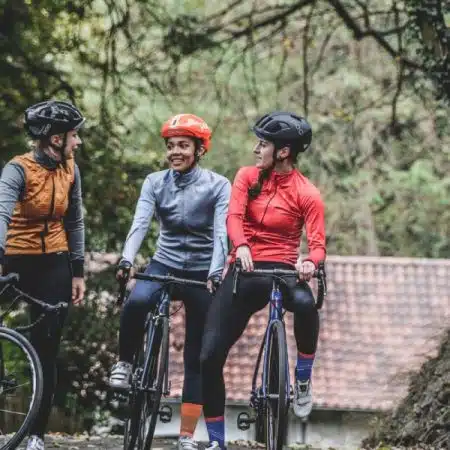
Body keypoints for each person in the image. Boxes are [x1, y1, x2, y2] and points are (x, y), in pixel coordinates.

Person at [200, 112, 326, 450]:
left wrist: (310, 263)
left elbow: (318, 245)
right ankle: (216, 442)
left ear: (283, 152)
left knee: (306, 304)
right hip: (245, 270)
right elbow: (233, 217)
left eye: (263, 144)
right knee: (209, 357)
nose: (256, 149)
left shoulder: (307, 193)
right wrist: (241, 245)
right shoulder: (246, 176)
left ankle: (302, 378)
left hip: (284, 271)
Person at [109, 114, 231, 450]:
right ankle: (125, 363)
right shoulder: (154, 182)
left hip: (202, 272)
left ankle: (186, 435)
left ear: (199, 150)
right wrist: (127, 259)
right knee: (137, 300)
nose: (175, 152)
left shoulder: (218, 185)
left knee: (196, 356)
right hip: (164, 263)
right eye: (171, 146)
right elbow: (140, 223)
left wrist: (215, 272)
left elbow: (222, 234)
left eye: (183, 145)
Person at [0, 100, 86, 450]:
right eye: (73, 135)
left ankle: (36, 435)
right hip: (14, 258)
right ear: (55, 138)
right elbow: (1, 213)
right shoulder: (17, 169)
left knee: (47, 346)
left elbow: (75, 220)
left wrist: (77, 272)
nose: (77, 142)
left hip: (53, 261)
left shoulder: (70, 169)